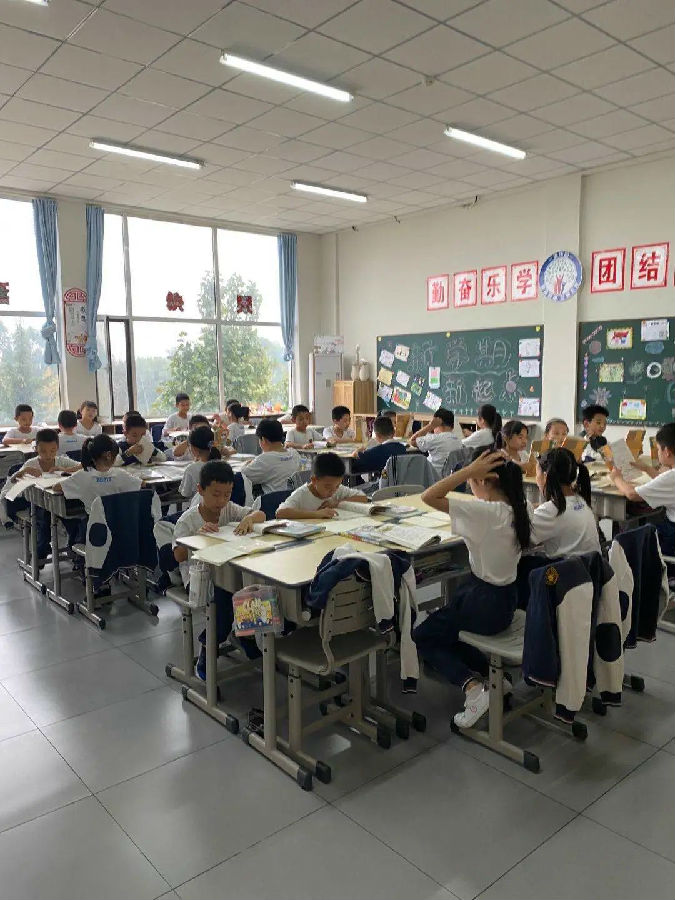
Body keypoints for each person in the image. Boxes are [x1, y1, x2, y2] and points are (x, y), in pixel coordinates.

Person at [414, 450, 532, 727]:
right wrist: (473, 473)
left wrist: (467, 470)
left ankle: (473, 688)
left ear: (484, 480)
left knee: (423, 636)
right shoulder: (518, 506)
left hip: (483, 601)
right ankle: (493, 677)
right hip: (504, 599)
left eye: (472, 480)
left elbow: (428, 496)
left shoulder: (486, 512)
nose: (469, 485)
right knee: (449, 628)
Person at [173, 460, 265, 679]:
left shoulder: (229, 509)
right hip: (199, 579)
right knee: (224, 598)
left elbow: (260, 514)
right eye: (215, 494)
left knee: (255, 589)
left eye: (227, 494)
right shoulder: (188, 520)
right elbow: (178, 556)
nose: (221, 501)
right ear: (200, 490)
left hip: (228, 571)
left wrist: (249, 519)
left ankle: (246, 634)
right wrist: (198, 538)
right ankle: (208, 645)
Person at [1, 429, 79, 559]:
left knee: (73, 520)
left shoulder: (61, 461)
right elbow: (12, 481)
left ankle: (74, 549)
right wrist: (24, 471)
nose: (48, 455)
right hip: (38, 504)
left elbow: (83, 466)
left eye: (52, 450)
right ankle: (40, 555)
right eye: (43, 451)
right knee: (43, 523)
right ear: (36, 448)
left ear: (57, 448)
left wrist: (65, 469)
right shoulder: (31, 464)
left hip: (59, 503)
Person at [54, 434, 143, 544]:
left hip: (94, 532)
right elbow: (141, 484)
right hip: (120, 530)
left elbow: (56, 487)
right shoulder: (121, 475)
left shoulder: (82, 476)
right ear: (109, 455)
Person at [609, 422, 675, 559]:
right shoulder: (670, 477)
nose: (658, 452)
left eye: (658, 449)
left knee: (635, 537)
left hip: (672, 533)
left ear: (667, 451)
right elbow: (664, 483)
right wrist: (646, 468)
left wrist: (617, 478)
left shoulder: (671, 477)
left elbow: (632, 494)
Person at [531, 448, 600, 557]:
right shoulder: (580, 500)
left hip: (565, 567)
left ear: (545, 476)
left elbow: (522, 539)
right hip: (590, 566)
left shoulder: (550, 511)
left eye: (537, 474)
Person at [276, 452, 367, 519]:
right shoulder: (302, 494)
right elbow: (280, 513)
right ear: (314, 480)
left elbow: (363, 498)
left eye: (337, 486)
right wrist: (316, 514)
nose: (332, 491)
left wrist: (337, 503)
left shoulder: (336, 489)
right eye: (327, 487)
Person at [244, 419, 301, 493]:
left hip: (272, 499)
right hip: (293, 498)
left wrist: (247, 464)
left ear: (263, 439)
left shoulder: (264, 460)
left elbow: (243, 477)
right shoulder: (294, 454)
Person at [410, 408, 462, 473]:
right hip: (449, 477)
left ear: (437, 424)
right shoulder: (458, 441)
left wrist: (431, 426)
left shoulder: (435, 439)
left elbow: (412, 441)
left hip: (432, 476)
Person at [179, 425, 221, 499]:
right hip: (221, 504)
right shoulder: (223, 465)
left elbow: (185, 493)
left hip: (198, 505)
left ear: (194, 448)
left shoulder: (191, 469)